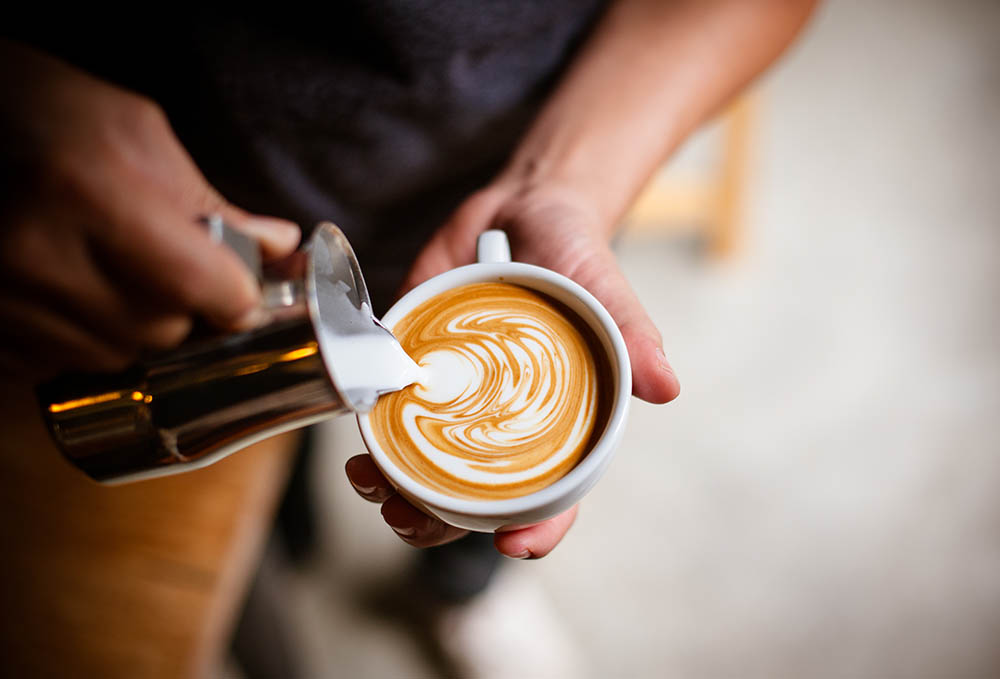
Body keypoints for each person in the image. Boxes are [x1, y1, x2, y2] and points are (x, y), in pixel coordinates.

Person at [0, 1, 816, 675]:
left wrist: (558, 182)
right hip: (191, 237)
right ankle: (297, 539)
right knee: (278, 434)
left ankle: (467, 589)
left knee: (489, 522)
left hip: (517, 181)